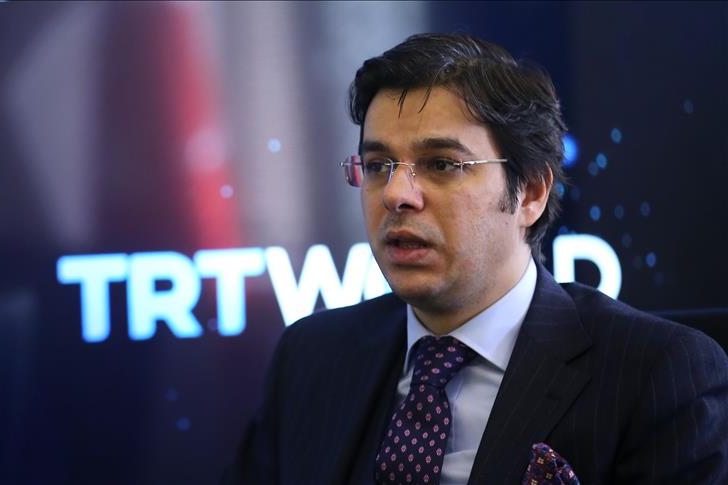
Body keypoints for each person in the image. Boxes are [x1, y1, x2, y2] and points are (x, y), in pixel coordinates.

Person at [225, 33, 728, 485]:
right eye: (378, 165)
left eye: (442, 164)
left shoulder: (657, 375)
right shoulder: (309, 357)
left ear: (531, 192)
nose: (396, 194)